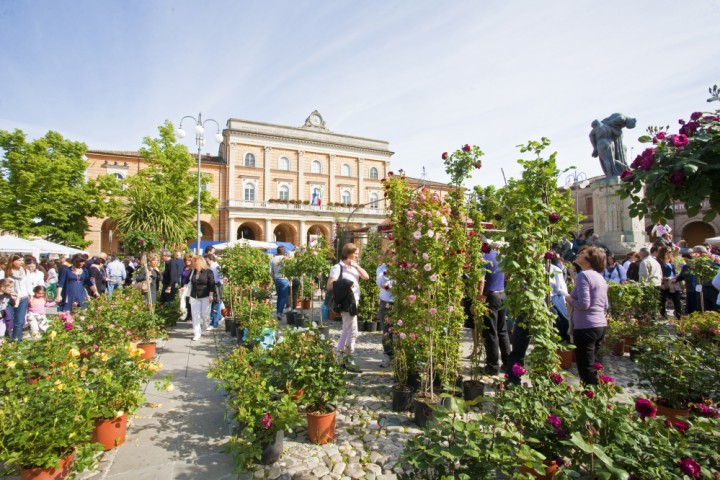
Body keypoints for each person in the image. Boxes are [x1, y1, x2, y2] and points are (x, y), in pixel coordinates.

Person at [564, 246, 609, 385]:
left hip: (585, 326)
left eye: (582, 253)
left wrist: (568, 298)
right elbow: (606, 304)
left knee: (585, 368)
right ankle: (597, 394)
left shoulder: (584, 275)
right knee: (594, 364)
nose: (578, 254)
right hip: (600, 324)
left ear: (590, 259)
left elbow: (584, 304)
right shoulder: (599, 277)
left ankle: (590, 397)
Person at [327, 243, 369, 372]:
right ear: (348, 254)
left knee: (346, 330)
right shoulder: (337, 267)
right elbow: (330, 285)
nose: (357, 255)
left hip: (353, 301)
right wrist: (345, 284)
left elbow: (366, 277)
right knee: (353, 332)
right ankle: (349, 360)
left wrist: (356, 266)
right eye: (355, 253)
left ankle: (340, 358)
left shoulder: (354, 267)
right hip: (346, 303)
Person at [478, 242, 511, 375]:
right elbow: (506, 275)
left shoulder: (483, 258)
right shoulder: (499, 256)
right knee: (502, 330)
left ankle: (492, 366)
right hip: (502, 294)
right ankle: (507, 362)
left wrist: (479, 297)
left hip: (491, 296)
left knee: (490, 331)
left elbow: (481, 280)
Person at [589, 113, 637, 178]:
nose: (625, 126)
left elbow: (591, 135)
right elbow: (616, 131)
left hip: (602, 143)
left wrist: (595, 147)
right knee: (612, 159)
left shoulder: (598, 128)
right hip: (611, 143)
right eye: (627, 125)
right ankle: (621, 167)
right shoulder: (621, 119)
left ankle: (609, 175)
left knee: (607, 160)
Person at [187, 255, 216, 341]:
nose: (192, 264)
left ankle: (204, 326)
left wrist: (211, 295)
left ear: (199, 263)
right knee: (195, 315)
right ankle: (197, 333)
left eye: (194, 263)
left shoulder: (208, 272)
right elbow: (187, 282)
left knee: (204, 314)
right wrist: (184, 288)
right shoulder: (192, 272)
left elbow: (211, 284)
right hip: (194, 295)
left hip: (205, 295)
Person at [6, 254, 31, 342]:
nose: (21, 262)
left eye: (22, 260)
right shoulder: (6, 272)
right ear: (12, 261)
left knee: (19, 321)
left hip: (23, 298)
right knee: (8, 320)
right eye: (18, 260)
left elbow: (28, 284)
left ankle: (16, 342)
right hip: (9, 298)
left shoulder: (25, 271)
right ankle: (6, 338)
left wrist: (30, 295)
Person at [376, 263, 394, 368]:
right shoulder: (382, 268)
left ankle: (402, 358)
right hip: (386, 302)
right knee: (387, 331)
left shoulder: (404, 265)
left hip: (402, 301)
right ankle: (387, 355)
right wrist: (388, 272)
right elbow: (381, 283)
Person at [549, 256, 570, 343]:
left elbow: (561, 288)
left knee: (558, 325)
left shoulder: (555, 269)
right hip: (538, 302)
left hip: (552, 300)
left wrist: (565, 301)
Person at [658, 246, 682, 320]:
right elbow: (659, 274)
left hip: (673, 282)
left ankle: (679, 315)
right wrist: (661, 284)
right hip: (665, 282)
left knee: (677, 300)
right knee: (663, 300)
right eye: (669, 251)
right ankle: (663, 315)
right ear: (664, 253)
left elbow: (674, 272)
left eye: (671, 251)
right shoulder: (660, 263)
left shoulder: (671, 262)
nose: (671, 253)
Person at [270, 246, 290, 321]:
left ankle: (278, 312)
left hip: (277, 279)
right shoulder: (286, 259)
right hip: (284, 279)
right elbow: (289, 269)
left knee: (279, 296)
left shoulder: (273, 259)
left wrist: (274, 277)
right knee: (283, 297)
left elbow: (270, 271)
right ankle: (279, 313)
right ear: (284, 251)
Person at [205, 253, 223, 329]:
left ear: (211, 260)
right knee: (214, 303)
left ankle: (214, 323)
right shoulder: (213, 267)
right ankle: (218, 317)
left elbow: (219, 278)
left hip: (216, 286)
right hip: (214, 285)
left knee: (216, 303)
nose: (207, 263)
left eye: (207, 261)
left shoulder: (215, 267)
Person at [179, 254, 194, 321]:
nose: (187, 261)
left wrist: (186, 285)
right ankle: (187, 315)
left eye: (188, 260)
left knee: (189, 301)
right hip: (183, 286)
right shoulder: (184, 267)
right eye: (186, 260)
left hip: (189, 287)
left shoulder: (192, 269)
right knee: (185, 301)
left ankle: (190, 316)